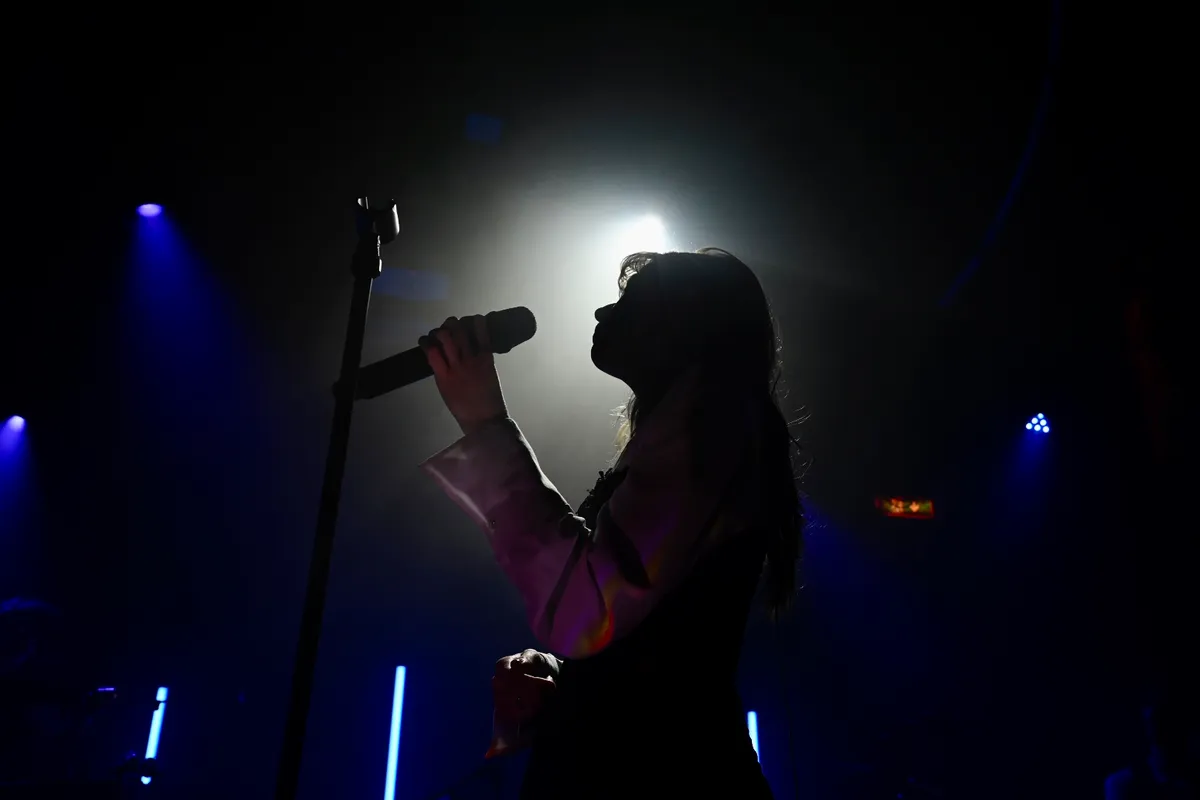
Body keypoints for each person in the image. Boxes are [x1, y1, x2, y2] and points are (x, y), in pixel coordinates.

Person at [418, 248, 805, 798]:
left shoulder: (710, 436)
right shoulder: (695, 440)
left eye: (632, 300)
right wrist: (562, 674)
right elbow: (635, 634)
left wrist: (485, 424)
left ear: (685, 326)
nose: (603, 312)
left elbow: (587, 607)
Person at [1105, 693, 1199, 799]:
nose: (1155, 730)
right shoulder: (1122, 783)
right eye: (1155, 723)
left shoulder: (1121, 783)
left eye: (1165, 722)